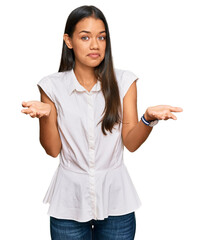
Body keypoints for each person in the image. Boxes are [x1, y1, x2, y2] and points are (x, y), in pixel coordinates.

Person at [21, 5, 183, 240]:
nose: (95, 45)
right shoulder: (51, 86)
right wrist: (47, 116)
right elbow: (52, 150)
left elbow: (131, 143)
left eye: (101, 37)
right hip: (69, 203)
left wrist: (147, 119)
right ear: (68, 40)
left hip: (116, 201)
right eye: (85, 37)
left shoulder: (125, 81)